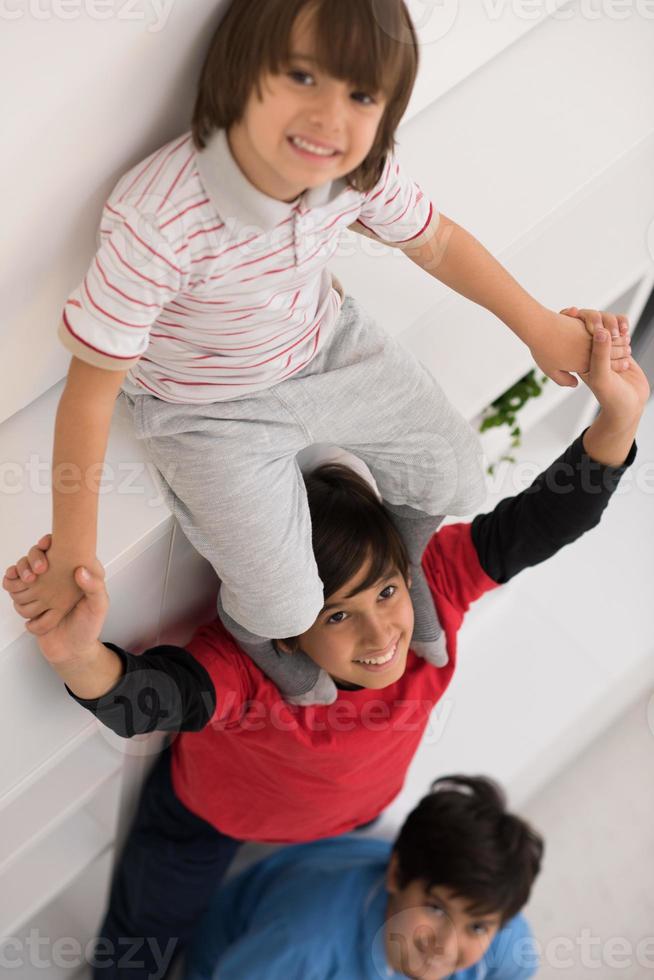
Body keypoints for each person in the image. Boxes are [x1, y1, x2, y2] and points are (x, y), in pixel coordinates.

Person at [14, 0, 632, 706]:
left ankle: (410, 566)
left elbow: (436, 241)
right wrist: (73, 551)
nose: (330, 117)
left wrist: (538, 327)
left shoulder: (357, 169)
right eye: (302, 77)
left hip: (329, 345)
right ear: (240, 71)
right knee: (283, 608)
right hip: (205, 409)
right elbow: (89, 396)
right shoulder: (162, 218)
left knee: (457, 476)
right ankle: (260, 635)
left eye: (361, 95)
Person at [4, 324, 648, 979]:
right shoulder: (252, 665)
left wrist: (619, 416)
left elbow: (541, 522)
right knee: (138, 948)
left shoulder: (435, 585)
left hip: (348, 816)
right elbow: (149, 700)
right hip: (207, 818)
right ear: (287, 629)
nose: (381, 635)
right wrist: (74, 652)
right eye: (338, 613)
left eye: (387, 592)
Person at [183, 775, 543, 980]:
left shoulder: (508, 946)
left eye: (477, 927)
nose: (445, 947)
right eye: (435, 909)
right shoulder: (301, 944)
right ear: (395, 875)